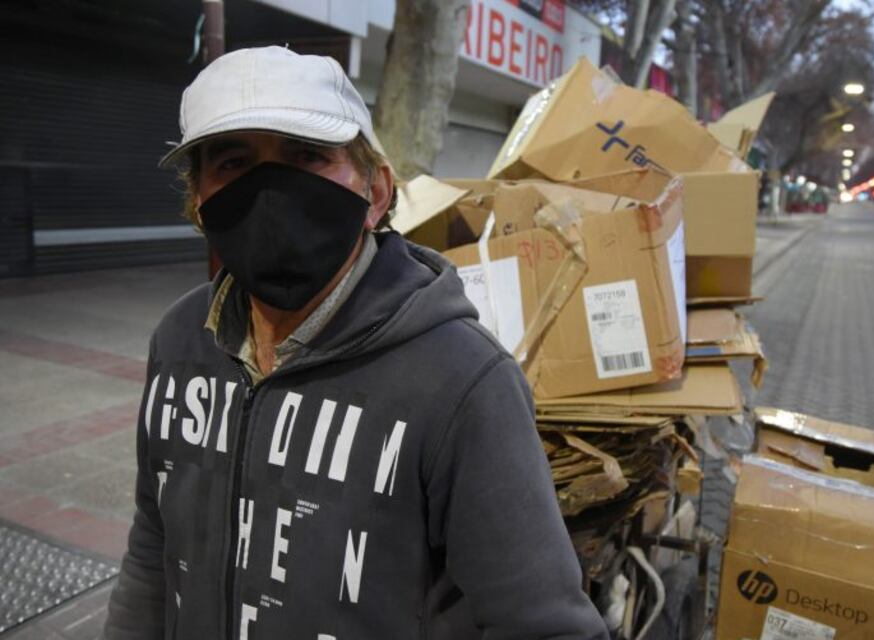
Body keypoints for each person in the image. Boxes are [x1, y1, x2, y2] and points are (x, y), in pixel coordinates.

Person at [103, 46, 609, 640]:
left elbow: (545, 626)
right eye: (234, 163)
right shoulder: (180, 339)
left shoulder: (464, 382)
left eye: (307, 156)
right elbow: (154, 547)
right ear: (199, 201)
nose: (269, 189)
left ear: (376, 193)